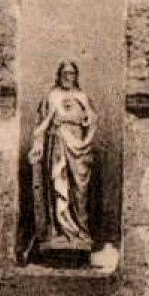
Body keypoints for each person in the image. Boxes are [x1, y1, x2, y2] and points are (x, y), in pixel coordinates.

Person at [25, 61, 95, 260]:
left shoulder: (83, 97)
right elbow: (41, 124)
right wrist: (38, 145)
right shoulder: (51, 97)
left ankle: (79, 232)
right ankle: (57, 232)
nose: (67, 77)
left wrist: (85, 134)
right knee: (58, 185)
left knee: (79, 191)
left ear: (76, 76)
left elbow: (92, 121)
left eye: (71, 73)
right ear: (58, 75)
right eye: (64, 73)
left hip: (78, 148)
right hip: (57, 145)